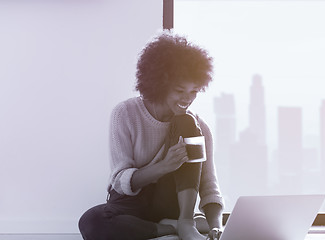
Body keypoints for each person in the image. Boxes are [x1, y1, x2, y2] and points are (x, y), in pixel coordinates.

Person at [78, 31, 224, 240]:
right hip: (131, 204)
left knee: (187, 123)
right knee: (92, 221)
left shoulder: (199, 127)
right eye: (180, 90)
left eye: (194, 91)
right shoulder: (125, 113)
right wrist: (165, 166)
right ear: (160, 85)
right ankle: (173, 228)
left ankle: (186, 221)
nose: (188, 98)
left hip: (172, 202)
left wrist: (216, 227)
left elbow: (209, 186)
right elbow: (120, 181)